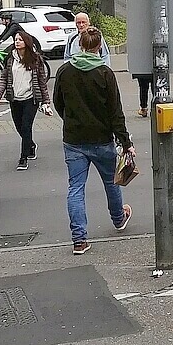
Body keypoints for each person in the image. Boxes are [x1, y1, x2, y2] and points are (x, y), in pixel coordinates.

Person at [53, 27, 134, 255]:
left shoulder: (64, 71)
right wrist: (125, 142)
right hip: (101, 138)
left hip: (73, 139)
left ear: (79, 44)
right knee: (111, 181)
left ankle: (79, 239)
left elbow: (58, 102)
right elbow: (115, 112)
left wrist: (70, 119)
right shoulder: (105, 73)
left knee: (75, 188)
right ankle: (118, 219)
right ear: (99, 47)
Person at [0, 30, 51, 170]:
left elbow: (42, 82)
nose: (17, 42)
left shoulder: (36, 59)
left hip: (31, 98)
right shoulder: (10, 58)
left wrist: (46, 101)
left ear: (27, 42)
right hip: (15, 98)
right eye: (16, 40)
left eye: (20, 39)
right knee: (19, 127)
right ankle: (31, 145)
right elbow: (4, 78)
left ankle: (23, 158)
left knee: (26, 126)